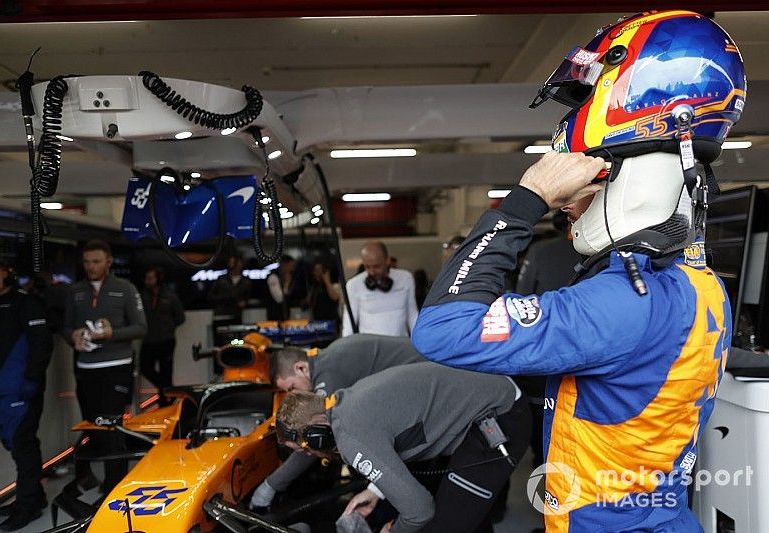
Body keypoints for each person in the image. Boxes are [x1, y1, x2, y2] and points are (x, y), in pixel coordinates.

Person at [412, 11, 743, 532]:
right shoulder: (700, 283)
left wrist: (526, 202)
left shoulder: (624, 301)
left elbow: (441, 330)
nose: (567, 207)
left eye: (587, 181)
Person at [276, 363, 530, 533]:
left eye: (306, 448)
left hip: (499, 418)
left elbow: (420, 511)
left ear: (318, 434)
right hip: (488, 405)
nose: (311, 455)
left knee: (441, 527)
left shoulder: (350, 440)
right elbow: (392, 438)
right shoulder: (345, 401)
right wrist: (376, 490)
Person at [250, 334, 425, 509]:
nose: (293, 394)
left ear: (300, 368)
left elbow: (313, 438)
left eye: (292, 388)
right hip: (423, 376)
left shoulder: (328, 375)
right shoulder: (326, 357)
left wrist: (271, 485)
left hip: (424, 391)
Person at [63, 240, 147, 494]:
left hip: (117, 365)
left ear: (108, 261)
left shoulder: (125, 288)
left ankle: (115, 485)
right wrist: (73, 337)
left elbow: (141, 328)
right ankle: (86, 475)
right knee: (91, 425)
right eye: (87, 262)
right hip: (86, 367)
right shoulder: (74, 291)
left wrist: (112, 333)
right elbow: (65, 326)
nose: (91, 267)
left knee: (111, 425)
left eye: (96, 261)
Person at [0, 258, 52, 531]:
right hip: (0, 392)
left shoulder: (26, 303)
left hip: (22, 390)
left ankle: (27, 507)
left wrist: (31, 382)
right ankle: (36, 497)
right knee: (19, 446)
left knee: (23, 448)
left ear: (7, 275)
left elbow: (42, 344)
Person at [514, 210, 581, 465]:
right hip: (588, 355)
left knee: (542, 428)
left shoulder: (540, 252)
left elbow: (521, 300)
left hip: (544, 354)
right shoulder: (606, 253)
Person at [342, 241, 417, 337]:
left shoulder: (406, 278)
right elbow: (349, 324)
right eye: (367, 267)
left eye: (376, 266)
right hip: (370, 348)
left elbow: (412, 315)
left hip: (400, 346)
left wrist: (420, 345)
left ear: (387, 261)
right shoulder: (353, 285)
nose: (372, 272)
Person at [140, 267, 185, 406]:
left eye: (151, 278)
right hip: (149, 340)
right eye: (146, 278)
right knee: (145, 367)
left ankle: (166, 399)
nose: (148, 281)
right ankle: (166, 388)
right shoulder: (143, 296)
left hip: (166, 340)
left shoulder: (170, 296)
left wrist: (168, 328)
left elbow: (180, 317)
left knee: (166, 370)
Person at [306, 257, 341, 323]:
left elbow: (335, 297)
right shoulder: (314, 286)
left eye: (319, 270)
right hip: (317, 320)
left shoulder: (334, 284)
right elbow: (310, 302)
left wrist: (327, 280)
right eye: (315, 270)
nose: (317, 273)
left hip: (331, 320)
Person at [266, 255, 295, 321]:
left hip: (285, 316)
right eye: (291, 266)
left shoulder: (287, 278)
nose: (292, 269)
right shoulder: (273, 277)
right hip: (275, 318)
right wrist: (286, 284)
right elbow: (279, 298)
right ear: (284, 265)